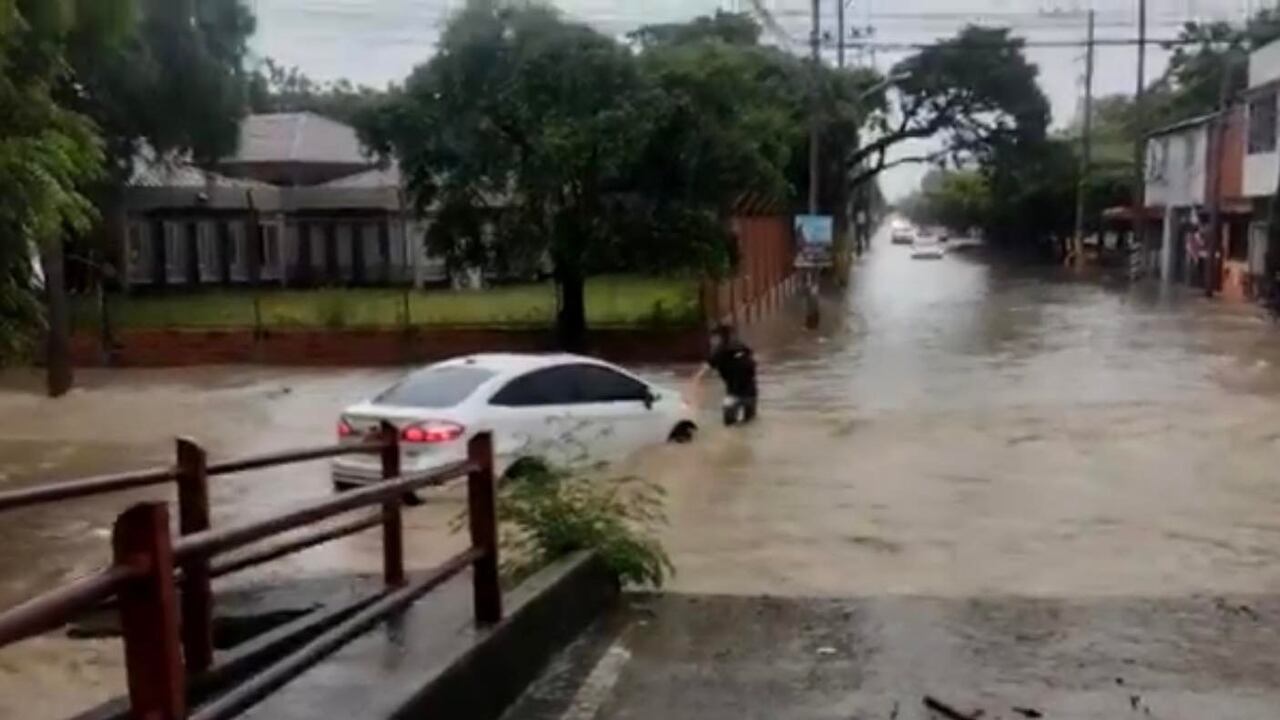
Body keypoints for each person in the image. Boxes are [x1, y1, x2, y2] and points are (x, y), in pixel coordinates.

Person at [692, 324, 758, 426]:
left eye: (713, 338)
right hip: (751, 393)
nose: (712, 341)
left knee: (729, 426)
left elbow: (703, 372)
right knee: (750, 423)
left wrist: (694, 384)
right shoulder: (742, 346)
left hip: (733, 395)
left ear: (719, 337)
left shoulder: (719, 352)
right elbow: (752, 363)